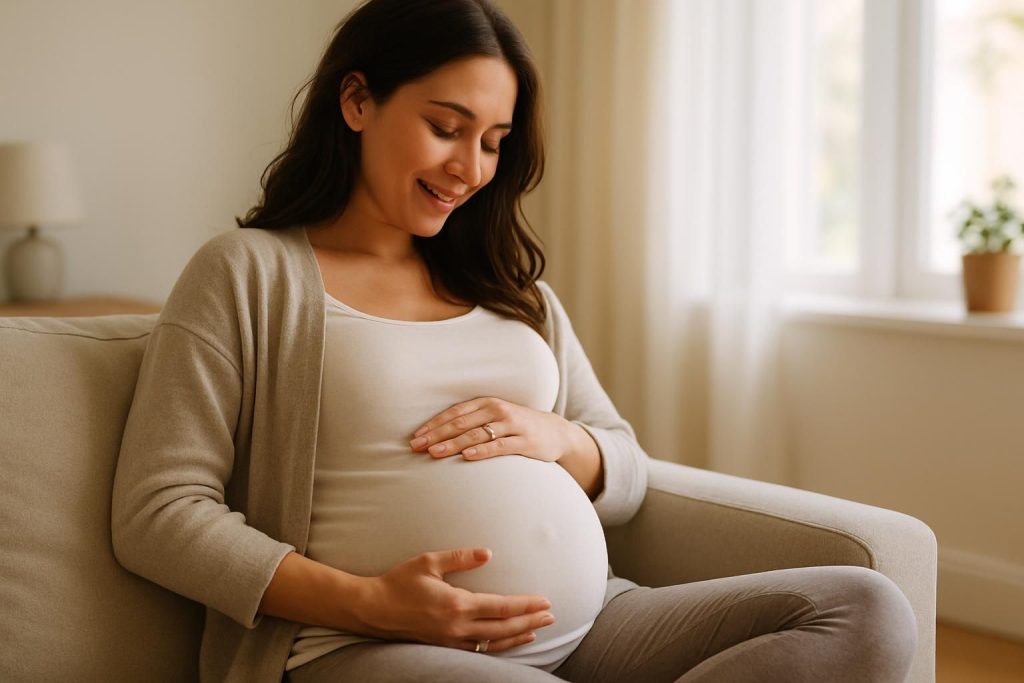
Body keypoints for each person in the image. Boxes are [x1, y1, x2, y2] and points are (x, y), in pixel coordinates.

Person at [110, 0, 920, 681]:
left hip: (599, 620)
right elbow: (158, 511)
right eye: (446, 127)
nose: (471, 166)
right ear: (357, 102)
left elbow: (626, 467)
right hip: (366, 644)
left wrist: (559, 437)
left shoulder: (512, 289)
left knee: (864, 608)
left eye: (494, 140)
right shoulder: (248, 273)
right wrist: (367, 600)